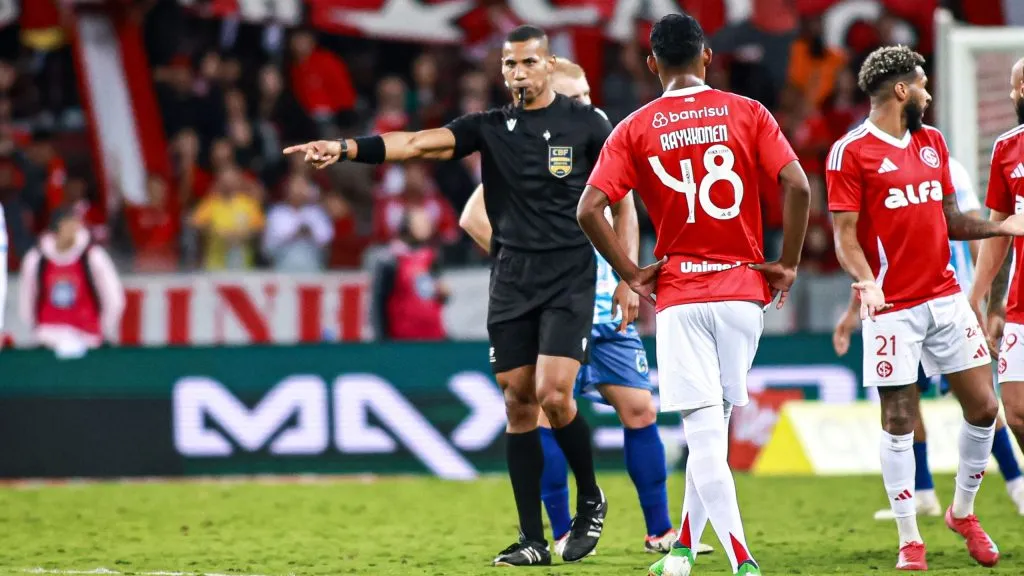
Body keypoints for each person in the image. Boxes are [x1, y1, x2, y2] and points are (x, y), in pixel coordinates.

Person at [284, 25, 615, 566]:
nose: (517, 73)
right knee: (517, 400)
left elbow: (622, 190)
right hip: (511, 278)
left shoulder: (586, 124)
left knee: (556, 395)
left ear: (549, 65)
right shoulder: (489, 127)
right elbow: (414, 142)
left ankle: (591, 499)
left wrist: (629, 270)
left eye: (528, 63)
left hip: (567, 275)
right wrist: (342, 148)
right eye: (509, 65)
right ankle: (532, 538)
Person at [577, 14, 811, 576]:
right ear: (708, 56)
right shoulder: (748, 111)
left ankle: (742, 561)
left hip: (681, 291)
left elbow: (588, 209)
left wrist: (632, 272)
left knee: (704, 433)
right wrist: (789, 264)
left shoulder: (633, 128)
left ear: (652, 63)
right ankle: (682, 552)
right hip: (743, 290)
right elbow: (799, 184)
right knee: (715, 430)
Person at [460, 56, 715, 557]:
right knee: (545, 413)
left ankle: (660, 532)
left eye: (586, 95)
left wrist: (627, 278)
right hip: (553, 308)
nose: (583, 106)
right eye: (573, 98)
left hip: (603, 306)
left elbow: (626, 209)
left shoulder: (600, 144)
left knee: (640, 409)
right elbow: (473, 217)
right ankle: (562, 531)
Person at [826, 45, 1024, 570]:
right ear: (900, 91)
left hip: (945, 297)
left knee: (984, 408)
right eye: (922, 84)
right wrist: (865, 282)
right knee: (898, 417)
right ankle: (910, 539)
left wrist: (1001, 226)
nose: (928, 93)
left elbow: (952, 220)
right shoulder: (850, 153)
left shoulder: (931, 143)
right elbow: (844, 236)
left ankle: (963, 513)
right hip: (892, 307)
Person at [834, 156, 1024, 518]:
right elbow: (868, 249)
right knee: (907, 400)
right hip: (898, 304)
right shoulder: (866, 160)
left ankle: (1017, 485)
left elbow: (970, 232)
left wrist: (984, 298)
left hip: (949, 301)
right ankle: (923, 493)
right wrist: (850, 312)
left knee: (980, 401)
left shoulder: (946, 164)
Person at [969, 56, 1024, 514]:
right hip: (1022, 305)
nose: (1009, 96)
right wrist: (982, 298)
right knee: (1018, 410)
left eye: (1013, 87)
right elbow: (998, 233)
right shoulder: (1007, 149)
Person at [17, 205, 124, 358]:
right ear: (56, 228)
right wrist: (38, 331)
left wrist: (101, 329)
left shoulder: (93, 257)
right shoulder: (36, 260)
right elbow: (27, 299)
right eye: (67, 223)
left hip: (88, 339)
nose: (73, 228)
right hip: (48, 340)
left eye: (75, 223)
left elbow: (113, 297)